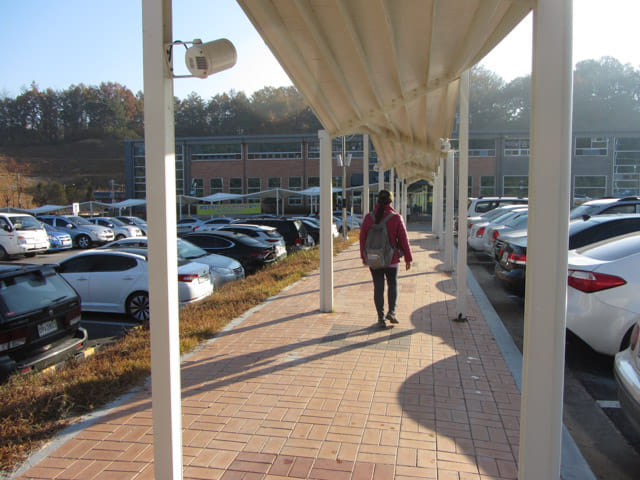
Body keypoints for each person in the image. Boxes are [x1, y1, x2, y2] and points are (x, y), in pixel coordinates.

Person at [359, 189, 413, 329]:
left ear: (377, 200)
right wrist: (408, 258)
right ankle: (392, 312)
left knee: (378, 287)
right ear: (391, 201)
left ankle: (380, 318)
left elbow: (362, 239)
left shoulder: (368, 218)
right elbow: (403, 239)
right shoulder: (396, 217)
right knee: (392, 285)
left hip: (374, 258)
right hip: (392, 259)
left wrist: (364, 257)